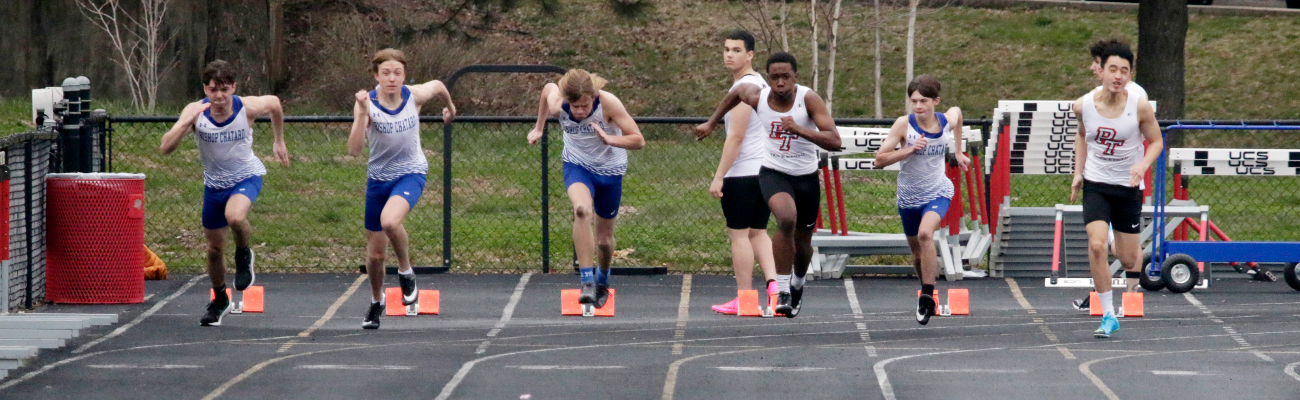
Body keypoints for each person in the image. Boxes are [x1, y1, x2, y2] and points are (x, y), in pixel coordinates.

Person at [695, 52, 842, 318]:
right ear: (768, 79)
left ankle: (798, 283)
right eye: (774, 77)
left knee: (803, 244)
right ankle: (782, 291)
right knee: (785, 218)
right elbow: (737, 92)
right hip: (774, 172)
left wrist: (800, 129)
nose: (780, 83)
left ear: (796, 77)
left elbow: (834, 141)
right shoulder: (759, 97)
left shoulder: (808, 99)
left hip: (806, 177)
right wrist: (712, 122)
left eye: (786, 77)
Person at [159, 60, 290, 327]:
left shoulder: (247, 107)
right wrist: (185, 123)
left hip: (246, 176)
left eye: (224, 90)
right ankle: (220, 299)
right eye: (212, 90)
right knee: (214, 249)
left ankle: (244, 253)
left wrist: (279, 140)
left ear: (234, 88)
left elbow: (275, 104)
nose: (218, 97)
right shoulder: (195, 112)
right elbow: (165, 148)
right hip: (214, 185)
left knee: (235, 216)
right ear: (205, 89)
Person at [348, 48, 456, 329]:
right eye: (386, 73)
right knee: (375, 256)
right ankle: (377, 301)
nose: (392, 78)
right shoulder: (367, 104)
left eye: (397, 73)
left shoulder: (414, 95)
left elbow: (439, 86)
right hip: (378, 180)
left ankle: (406, 272)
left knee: (390, 221)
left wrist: (451, 109)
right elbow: (354, 150)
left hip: (411, 172)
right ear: (376, 76)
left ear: (404, 75)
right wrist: (361, 114)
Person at [527, 69, 645, 309]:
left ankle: (603, 277)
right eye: (575, 106)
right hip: (577, 165)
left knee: (604, 241)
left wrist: (610, 139)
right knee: (581, 210)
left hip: (610, 171)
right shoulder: (558, 105)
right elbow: (548, 89)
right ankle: (587, 281)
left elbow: (638, 140)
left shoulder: (608, 103)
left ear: (593, 97)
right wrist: (539, 127)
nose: (580, 112)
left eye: (584, 106)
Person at [1070, 40, 1162, 338]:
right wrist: (1078, 173)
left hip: (1128, 187)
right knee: (1095, 245)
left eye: (1124, 70)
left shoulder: (1139, 106)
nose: (1118, 76)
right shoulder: (1083, 106)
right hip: (1096, 184)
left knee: (1128, 258)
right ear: (1101, 71)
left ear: (1129, 75)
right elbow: (1082, 136)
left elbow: (1157, 141)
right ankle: (1109, 315)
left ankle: (1114, 236)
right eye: (1113, 69)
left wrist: (1142, 165)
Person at [873, 75, 969, 325]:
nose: (917, 106)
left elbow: (958, 114)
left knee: (926, 234)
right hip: (909, 197)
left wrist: (958, 151)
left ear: (935, 101)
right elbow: (879, 160)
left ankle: (927, 298)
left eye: (923, 101)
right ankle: (925, 287)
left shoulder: (945, 121)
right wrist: (909, 149)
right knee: (917, 255)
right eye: (913, 101)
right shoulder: (904, 124)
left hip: (938, 191)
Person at [706, 30, 778, 315]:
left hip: (744, 172)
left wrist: (719, 176)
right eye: (726, 49)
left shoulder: (746, 87)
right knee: (758, 232)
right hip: (765, 170)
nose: (729, 55)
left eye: (736, 50)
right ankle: (775, 289)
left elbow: (736, 136)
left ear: (750, 55)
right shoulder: (760, 84)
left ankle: (746, 298)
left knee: (739, 236)